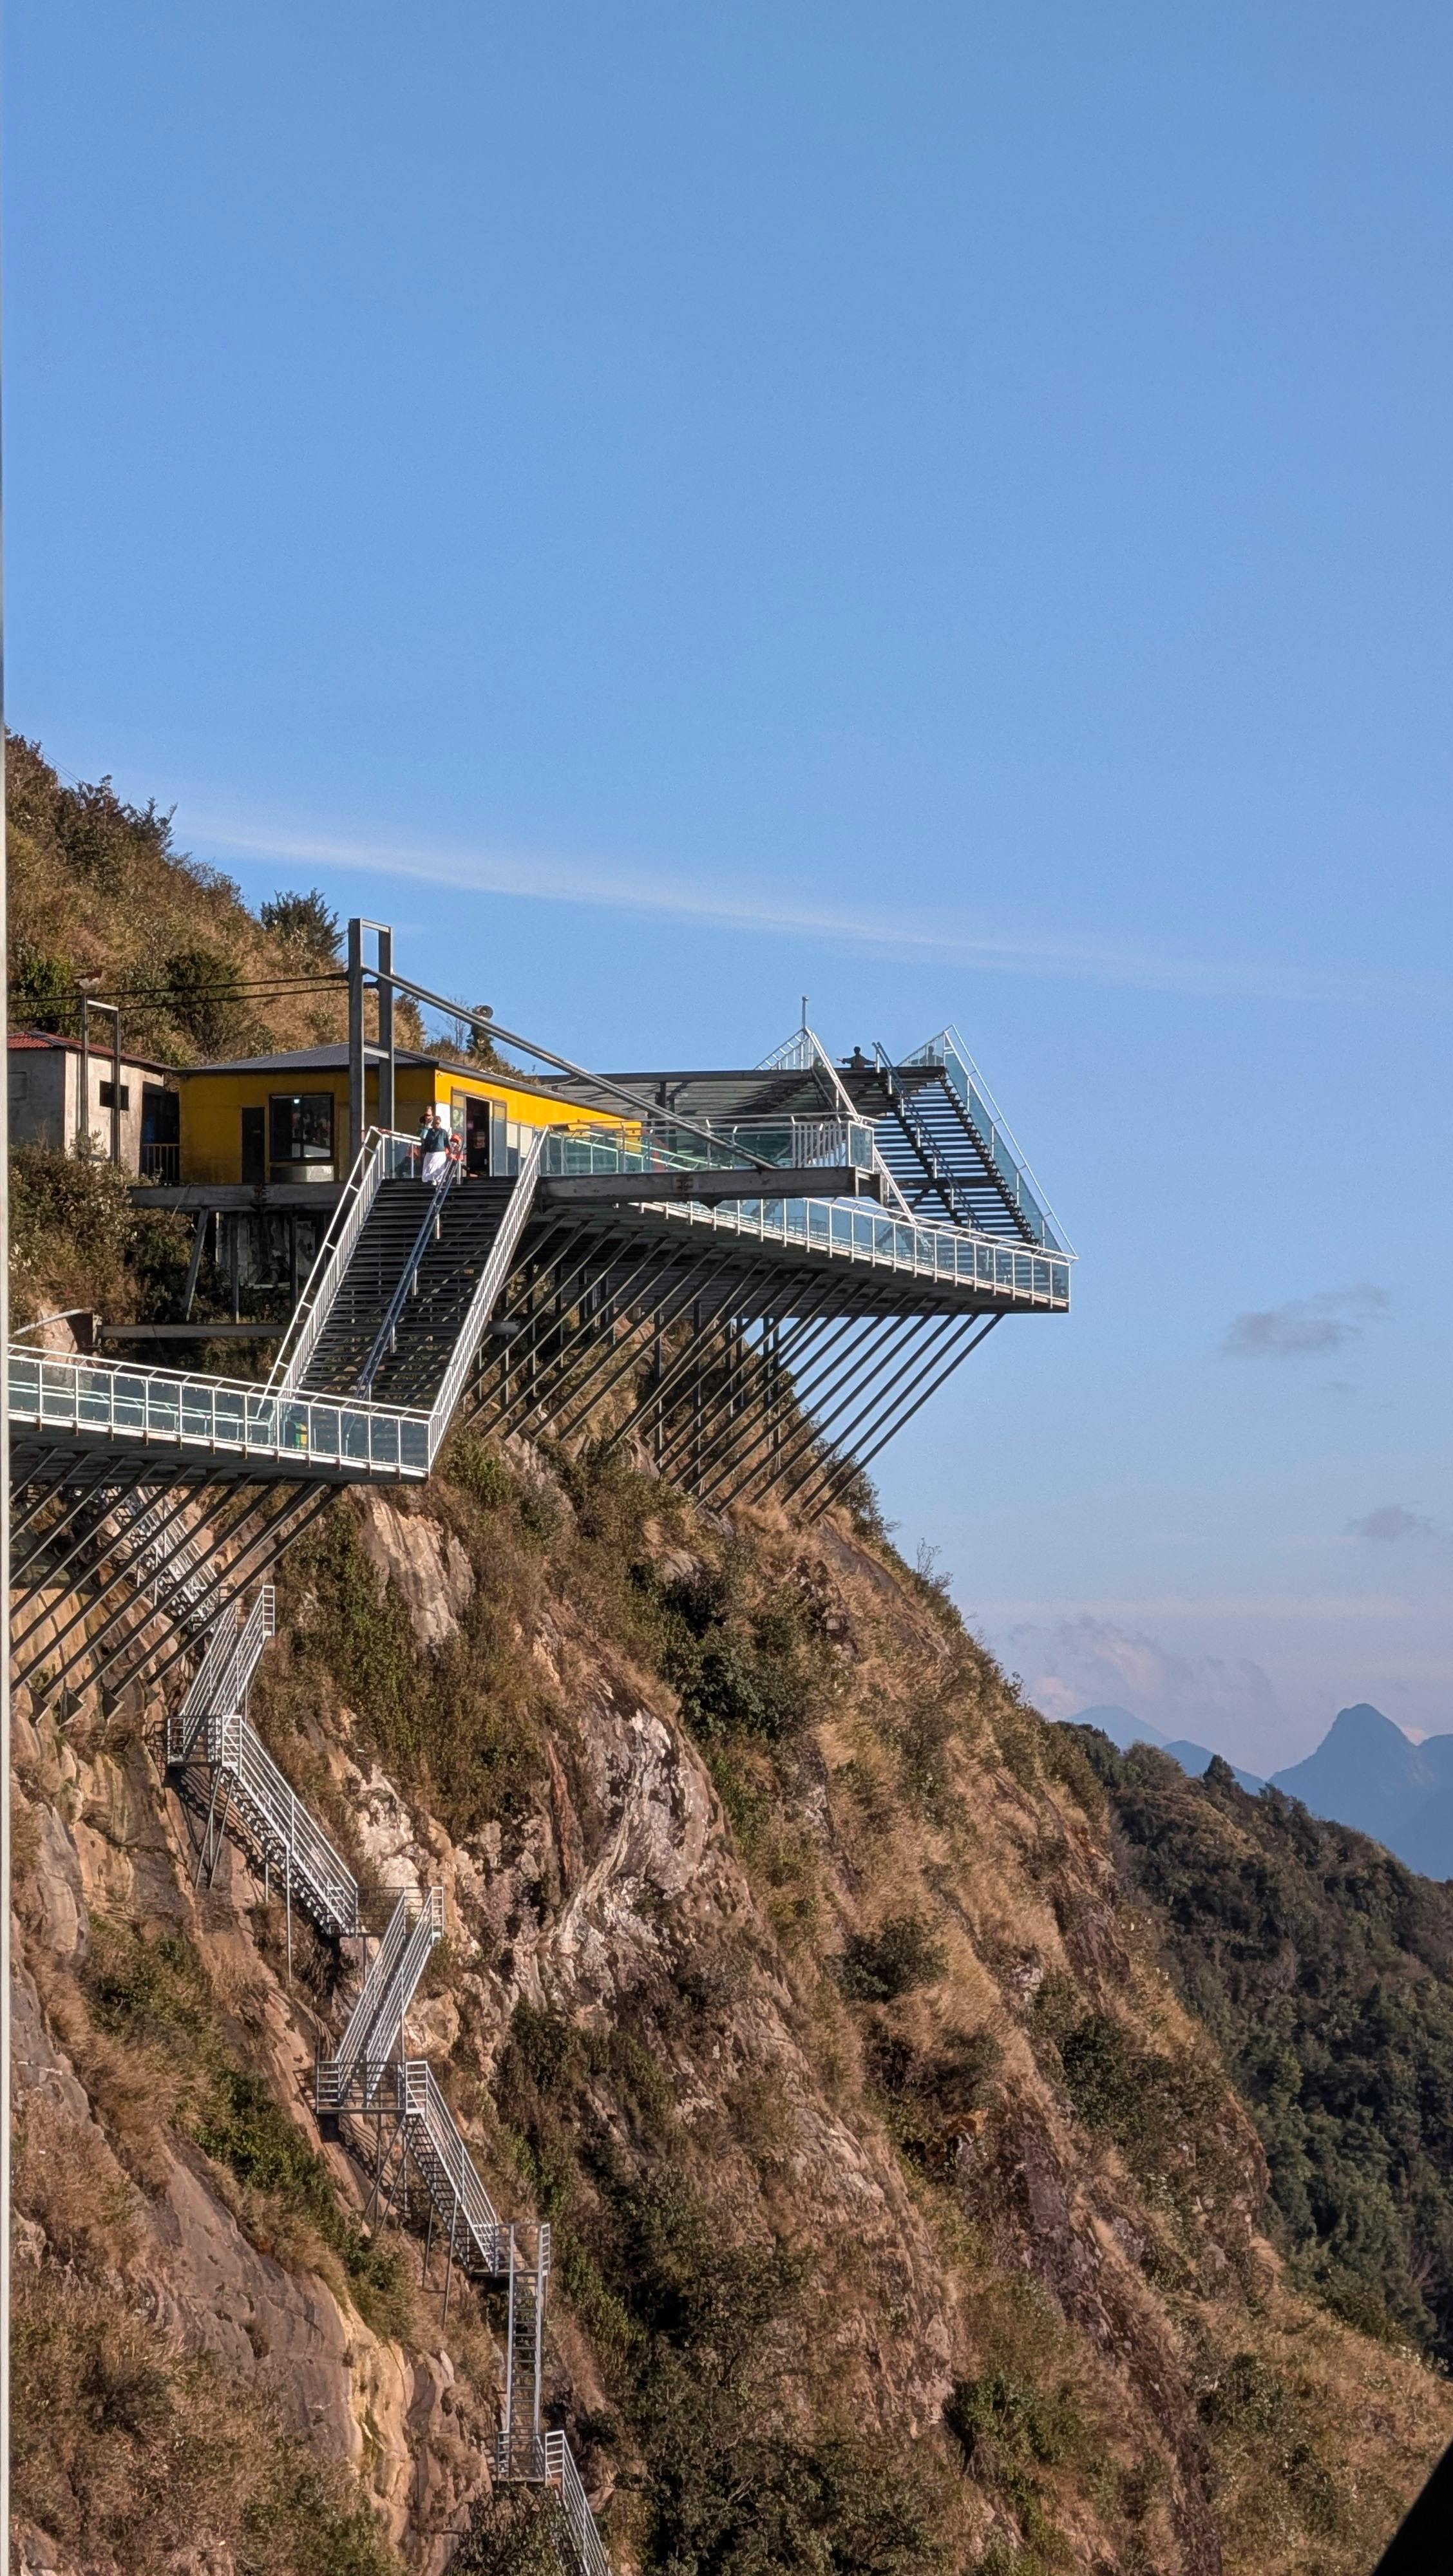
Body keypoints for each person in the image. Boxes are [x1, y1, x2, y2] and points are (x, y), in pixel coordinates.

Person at [421, 1110, 451, 1185]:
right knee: (429, 1169)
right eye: (435, 1123)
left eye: (438, 1123)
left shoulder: (443, 1132)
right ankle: (432, 1180)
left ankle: (439, 1182)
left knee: (439, 1169)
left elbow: (447, 1143)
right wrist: (423, 1152)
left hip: (440, 1154)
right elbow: (425, 1141)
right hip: (430, 1153)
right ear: (433, 1123)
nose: (437, 1125)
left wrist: (451, 1152)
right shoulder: (429, 1131)